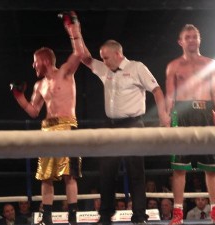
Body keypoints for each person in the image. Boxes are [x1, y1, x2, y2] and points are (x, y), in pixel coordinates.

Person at [78, 19, 170, 225]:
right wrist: (75, 31)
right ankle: (105, 216)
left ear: (118, 54)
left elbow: (156, 89)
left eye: (107, 58)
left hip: (133, 125)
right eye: (102, 58)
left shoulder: (137, 68)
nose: (105, 61)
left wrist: (163, 115)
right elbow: (85, 58)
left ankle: (139, 216)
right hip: (110, 126)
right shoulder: (105, 70)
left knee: (136, 173)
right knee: (106, 173)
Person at [11, 11, 84, 225]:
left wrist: (73, 28)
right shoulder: (39, 85)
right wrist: (19, 97)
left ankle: (72, 216)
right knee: (45, 176)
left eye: (35, 62)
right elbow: (34, 111)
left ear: (43, 60)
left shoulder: (65, 73)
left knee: (69, 175)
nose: (33, 66)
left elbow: (79, 53)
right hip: (47, 129)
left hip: (67, 125)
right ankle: (47, 217)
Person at [165, 24, 215, 225]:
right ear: (180, 41)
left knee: (211, 167)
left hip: (205, 112)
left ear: (199, 39)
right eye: (188, 37)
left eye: (195, 36)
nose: (192, 40)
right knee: (179, 167)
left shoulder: (211, 64)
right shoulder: (173, 66)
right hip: (181, 113)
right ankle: (177, 213)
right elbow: (169, 96)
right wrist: (166, 120)